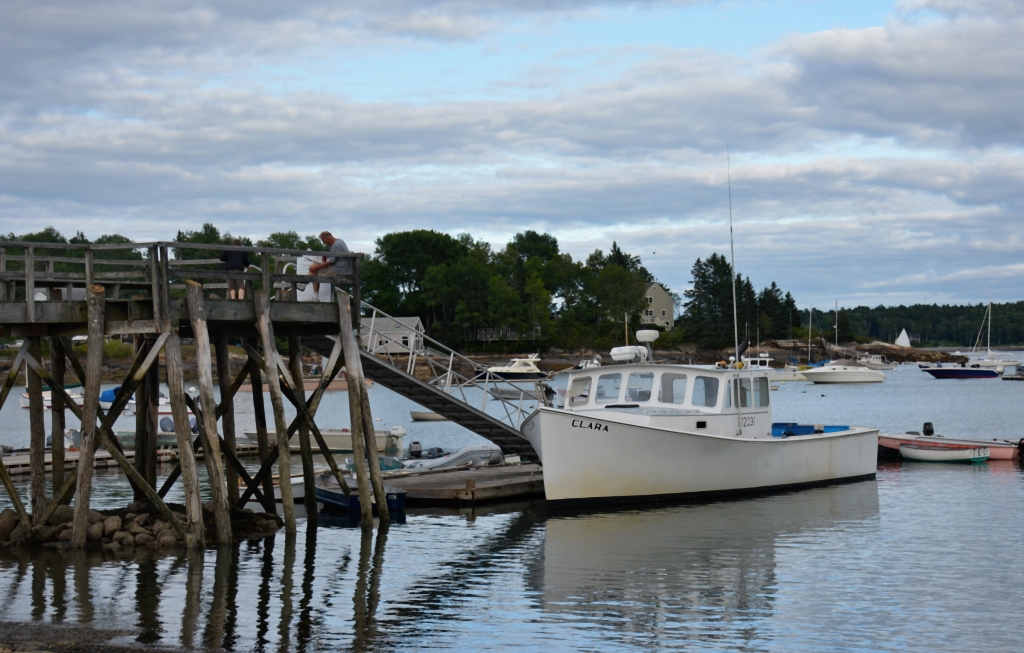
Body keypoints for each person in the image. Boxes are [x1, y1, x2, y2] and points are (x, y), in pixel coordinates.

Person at [309, 231, 353, 297]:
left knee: (315, 273)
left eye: (323, 241)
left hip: (339, 270)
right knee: (316, 265)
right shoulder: (339, 241)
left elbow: (330, 262)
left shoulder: (336, 245)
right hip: (340, 267)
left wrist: (315, 268)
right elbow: (334, 258)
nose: (324, 243)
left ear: (328, 239)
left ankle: (314, 295)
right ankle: (304, 285)